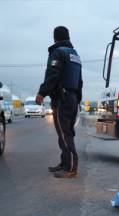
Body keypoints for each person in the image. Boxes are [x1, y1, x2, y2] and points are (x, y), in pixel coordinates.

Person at [36, 26, 83, 178]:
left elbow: (52, 75)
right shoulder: (75, 54)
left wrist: (42, 93)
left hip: (62, 98)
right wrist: (77, 99)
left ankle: (70, 168)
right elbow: (80, 80)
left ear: (55, 38)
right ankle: (64, 162)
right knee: (65, 133)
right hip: (72, 97)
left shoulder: (58, 52)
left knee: (64, 133)